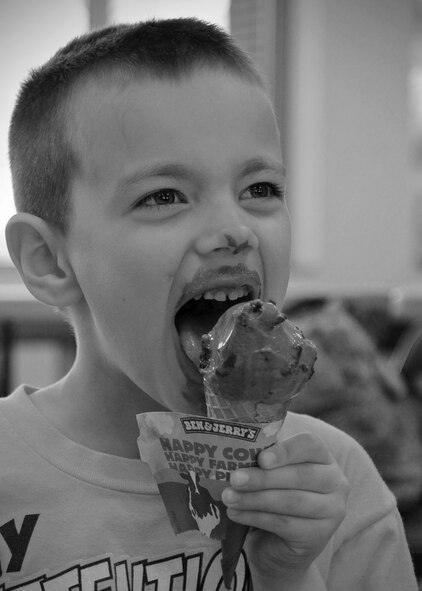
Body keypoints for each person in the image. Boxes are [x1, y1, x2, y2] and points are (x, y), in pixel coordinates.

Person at [1, 18, 417, 591]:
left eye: (260, 189)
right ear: (50, 261)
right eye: (164, 196)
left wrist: (291, 575)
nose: (234, 227)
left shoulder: (334, 481)